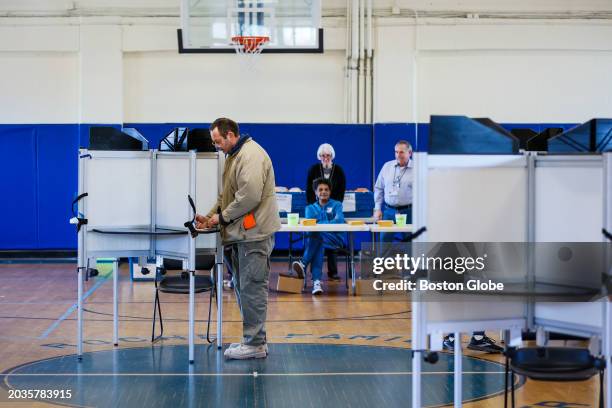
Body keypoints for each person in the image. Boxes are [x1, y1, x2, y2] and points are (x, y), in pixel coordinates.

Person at [195, 117, 280, 360]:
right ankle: (256, 340)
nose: (216, 146)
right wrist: (209, 216)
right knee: (245, 288)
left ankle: (254, 344)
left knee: (252, 288)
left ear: (231, 135)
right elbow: (227, 195)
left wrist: (220, 219)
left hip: (253, 235)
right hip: (242, 235)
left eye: (218, 141)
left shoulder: (250, 156)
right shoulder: (235, 156)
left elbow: (249, 197)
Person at [292, 178, 345, 295]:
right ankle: (316, 282)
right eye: (320, 189)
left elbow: (339, 221)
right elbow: (310, 226)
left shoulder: (337, 205)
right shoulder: (309, 208)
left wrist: (319, 224)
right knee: (318, 241)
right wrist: (327, 223)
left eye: (326, 189)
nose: (323, 192)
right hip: (318, 240)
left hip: (335, 239)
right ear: (315, 192)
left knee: (317, 236)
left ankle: (304, 264)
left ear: (330, 191)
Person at [306, 143, 346, 280]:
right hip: (317, 207)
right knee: (318, 236)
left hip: (333, 206)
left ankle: (328, 272)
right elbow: (309, 189)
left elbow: (341, 191)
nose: (325, 158)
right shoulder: (313, 169)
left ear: (332, 156)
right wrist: (316, 206)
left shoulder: (339, 170)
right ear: (319, 156)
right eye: (323, 155)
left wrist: (332, 205)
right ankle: (315, 276)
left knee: (325, 235)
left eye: (328, 155)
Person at [373, 140, 413, 243]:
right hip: (389, 212)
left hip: (409, 212)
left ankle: (410, 260)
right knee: (384, 242)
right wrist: (377, 208)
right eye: (396, 152)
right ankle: (384, 260)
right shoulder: (387, 167)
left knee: (411, 243)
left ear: (410, 153)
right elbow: (378, 188)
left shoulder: (417, 169)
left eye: (401, 152)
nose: (398, 155)